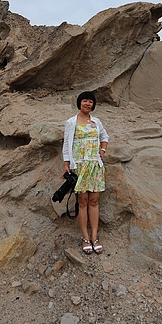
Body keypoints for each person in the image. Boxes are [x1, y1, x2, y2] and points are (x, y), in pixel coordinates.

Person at [62, 91, 109, 254]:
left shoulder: (96, 122)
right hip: (80, 165)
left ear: (93, 105)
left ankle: (95, 237)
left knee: (94, 201)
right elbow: (66, 144)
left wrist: (102, 151)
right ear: (79, 103)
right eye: (85, 101)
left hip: (95, 165)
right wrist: (66, 165)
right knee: (82, 201)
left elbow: (105, 137)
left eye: (90, 102)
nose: (87, 104)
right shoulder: (71, 122)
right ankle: (85, 237)